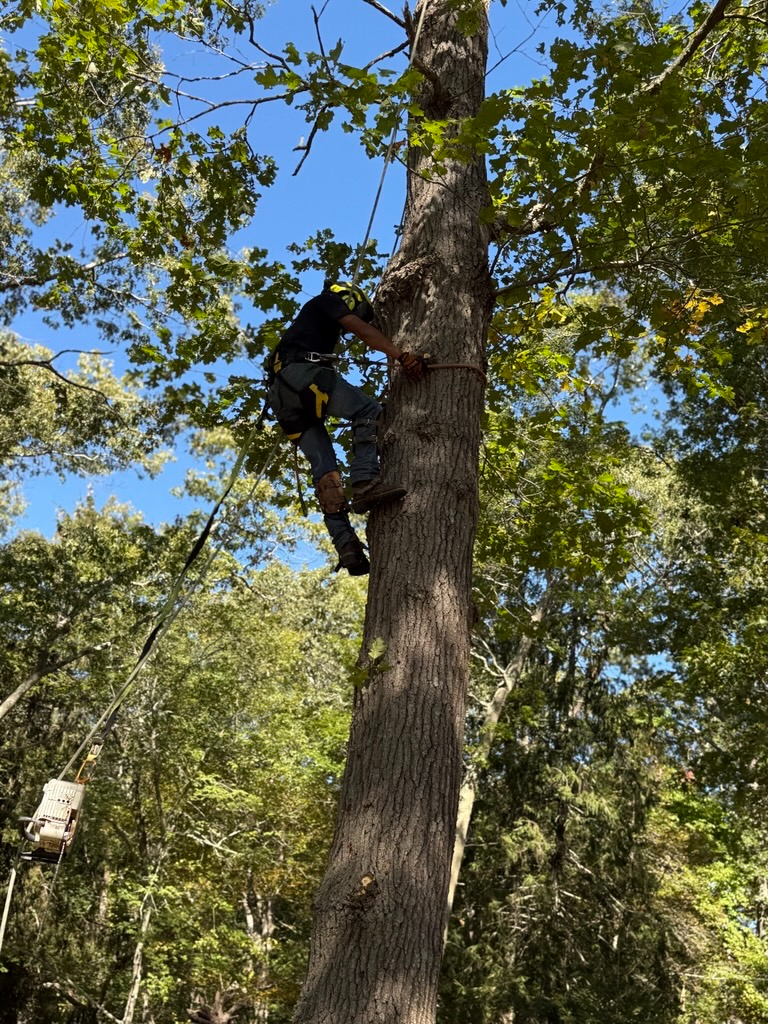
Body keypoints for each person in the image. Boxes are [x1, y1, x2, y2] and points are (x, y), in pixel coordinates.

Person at [266, 280, 425, 576]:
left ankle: (346, 546)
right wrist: (401, 355)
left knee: (326, 472)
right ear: (349, 298)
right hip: (302, 375)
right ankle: (364, 481)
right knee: (367, 409)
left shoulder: (305, 326)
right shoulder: (326, 301)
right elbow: (361, 329)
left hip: (282, 396)